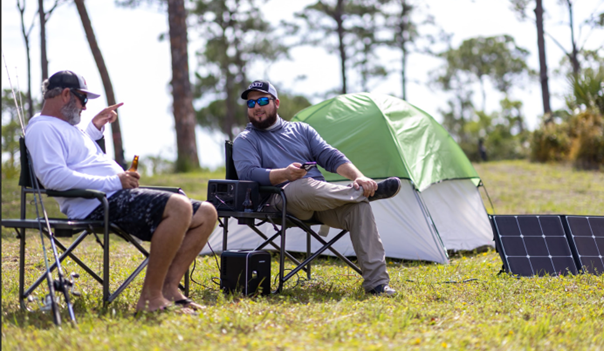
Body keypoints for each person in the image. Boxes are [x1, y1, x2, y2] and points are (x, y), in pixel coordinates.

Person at [25, 71, 217, 314]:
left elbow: (80, 155)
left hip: (113, 197)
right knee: (179, 206)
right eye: (83, 99)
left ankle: (169, 287)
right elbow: (53, 178)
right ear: (65, 95)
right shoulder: (42, 128)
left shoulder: (67, 128)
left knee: (207, 213)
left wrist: (95, 128)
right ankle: (150, 298)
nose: (85, 107)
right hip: (95, 205)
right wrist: (115, 181)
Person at [233, 80, 401, 295]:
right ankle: (365, 193)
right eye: (251, 103)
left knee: (359, 208)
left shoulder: (301, 130)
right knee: (303, 186)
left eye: (263, 100)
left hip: (319, 199)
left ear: (276, 103)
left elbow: (330, 157)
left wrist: (359, 177)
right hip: (281, 201)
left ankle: (377, 284)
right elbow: (248, 174)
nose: (256, 106)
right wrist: (285, 174)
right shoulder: (246, 140)